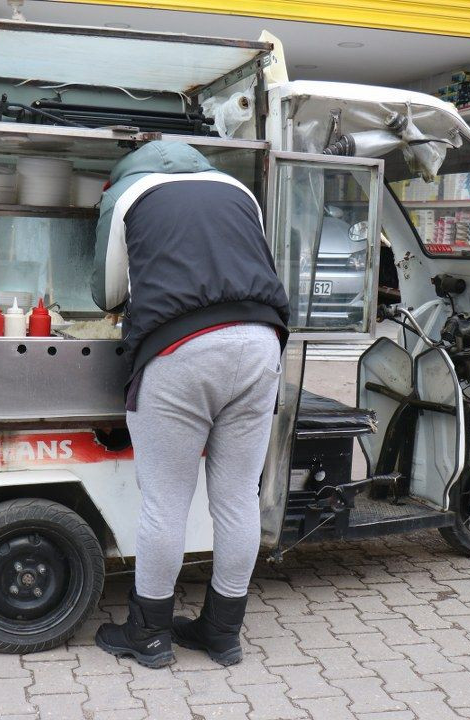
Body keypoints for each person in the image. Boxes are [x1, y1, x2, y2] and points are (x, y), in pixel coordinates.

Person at [91, 141, 290, 668]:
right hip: (260, 343)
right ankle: (222, 634)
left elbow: (107, 292)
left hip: (180, 350)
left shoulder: (131, 195)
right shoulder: (239, 190)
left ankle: (149, 635)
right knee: (237, 498)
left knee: (165, 501)